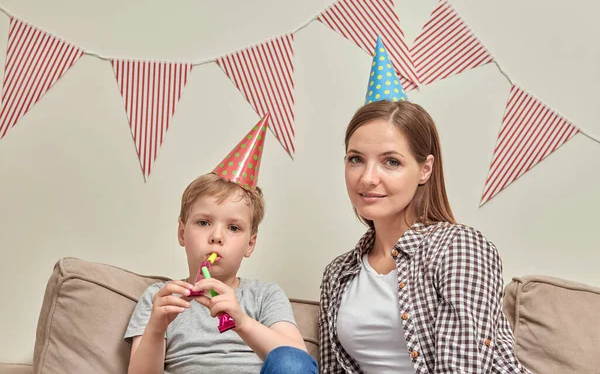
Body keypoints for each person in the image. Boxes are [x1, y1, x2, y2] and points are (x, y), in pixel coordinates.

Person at [318, 37, 531, 373]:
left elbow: (463, 369)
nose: (367, 178)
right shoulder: (338, 275)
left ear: (425, 169)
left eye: (390, 162)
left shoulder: (458, 248)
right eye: (356, 159)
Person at [125, 115, 318, 374]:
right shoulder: (160, 298)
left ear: (250, 245)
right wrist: (156, 328)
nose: (217, 236)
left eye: (233, 228)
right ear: (182, 233)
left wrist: (241, 322)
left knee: (292, 361)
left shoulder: (264, 296)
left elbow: (297, 360)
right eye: (204, 223)